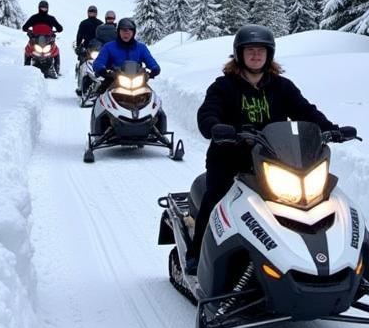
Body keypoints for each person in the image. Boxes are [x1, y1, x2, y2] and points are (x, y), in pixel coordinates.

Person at [183, 24, 339, 274]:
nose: (256, 55)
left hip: (274, 160)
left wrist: (330, 129)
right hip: (230, 157)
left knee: (306, 203)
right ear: (239, 54)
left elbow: (305, 110)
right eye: (250, 50)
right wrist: (215, 127)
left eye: (261, 51)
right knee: (217, 198)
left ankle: (303, 257)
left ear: (269, 55)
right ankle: (197, 253)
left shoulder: (281, 86)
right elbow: (208, 111)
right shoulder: (224, 86)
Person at [92, 16, 161, 80]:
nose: (126, 34)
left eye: (129, 31)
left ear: (133, 33)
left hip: (137, 81)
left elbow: (150, 60)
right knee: (100, 90)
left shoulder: (141, 47)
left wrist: (155, 69)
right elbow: (99, 61)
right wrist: (101, 69)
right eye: (123, 30)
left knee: (150, 92)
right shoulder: (108, 47)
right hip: (113, 80)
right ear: (118, 32)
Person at [21, 0, 64, 73]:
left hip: (48, 40)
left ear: (47, 8)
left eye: (45, 8)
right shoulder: (34, 18)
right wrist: (29, 31)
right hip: (35, 39)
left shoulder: (51, 18)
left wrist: (57, 30)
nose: (43, 9)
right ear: (39, 8)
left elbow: (60, 28)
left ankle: (57, 70)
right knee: (28, 50)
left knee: (56, 50)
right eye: (42, 8)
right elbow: (24, 27)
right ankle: (26, 69)